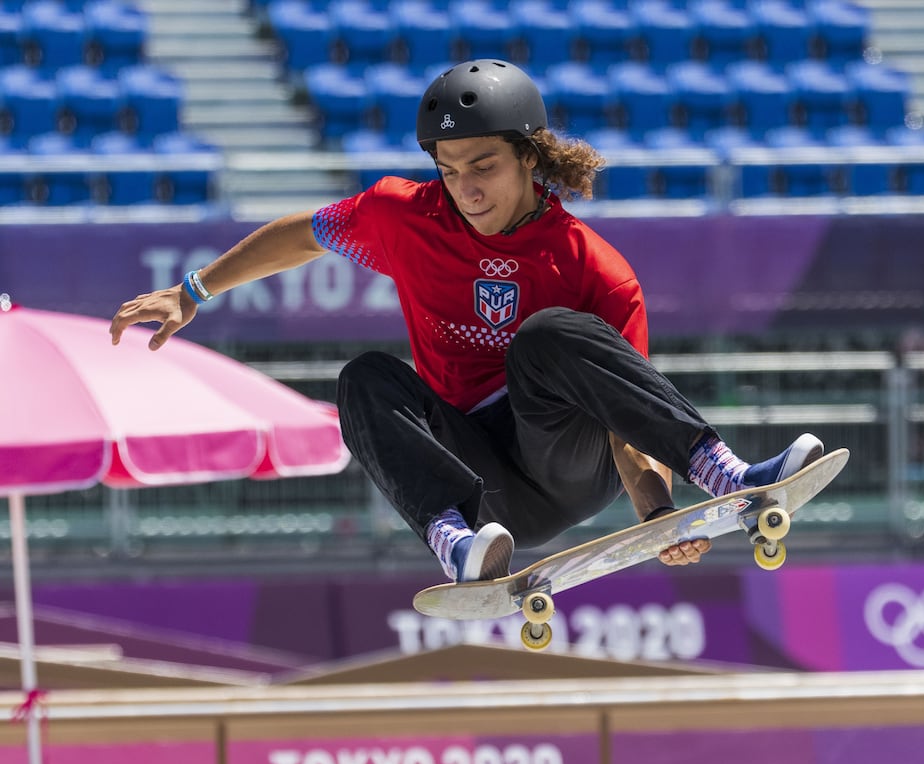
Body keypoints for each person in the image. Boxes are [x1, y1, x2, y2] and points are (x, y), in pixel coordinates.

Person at [110, 59, 824, 583]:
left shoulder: (590, 265)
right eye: (449, 169)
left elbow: (623, 421)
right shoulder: (403, 217)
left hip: (566, 459)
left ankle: (721, 470)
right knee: (365, 377)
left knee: (547, 336)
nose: (466, 187)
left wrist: (657, 511)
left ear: (529, 157)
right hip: (482, 478)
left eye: (483, 165)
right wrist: (194, 290)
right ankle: (456, 541)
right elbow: (304, 234)